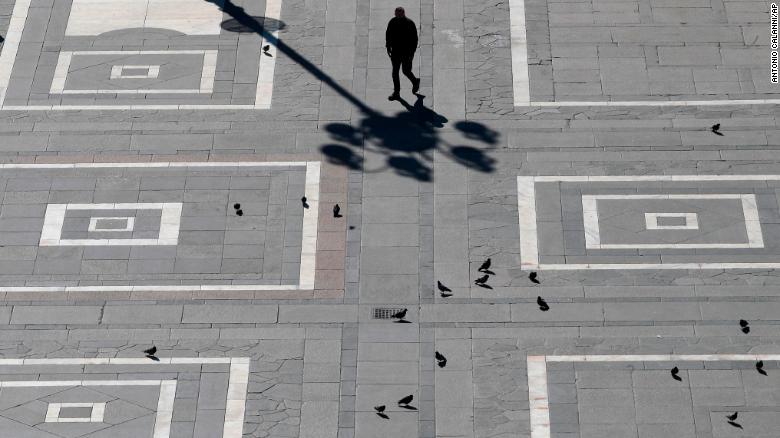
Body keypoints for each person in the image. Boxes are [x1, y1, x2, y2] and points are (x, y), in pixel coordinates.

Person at [385, 7, 420, 101]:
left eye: (400, 14)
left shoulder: (409, 23)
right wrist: (388, 46)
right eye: (396, 14)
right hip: (395, 52)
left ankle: (415, 81)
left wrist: (412, 53)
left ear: (403, 13)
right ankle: (396, 92)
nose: (398, 15)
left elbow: (414, 40)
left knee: (406, 71)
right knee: (395, 73)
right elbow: (388, 34)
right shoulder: (392, 22)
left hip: (406, 53)